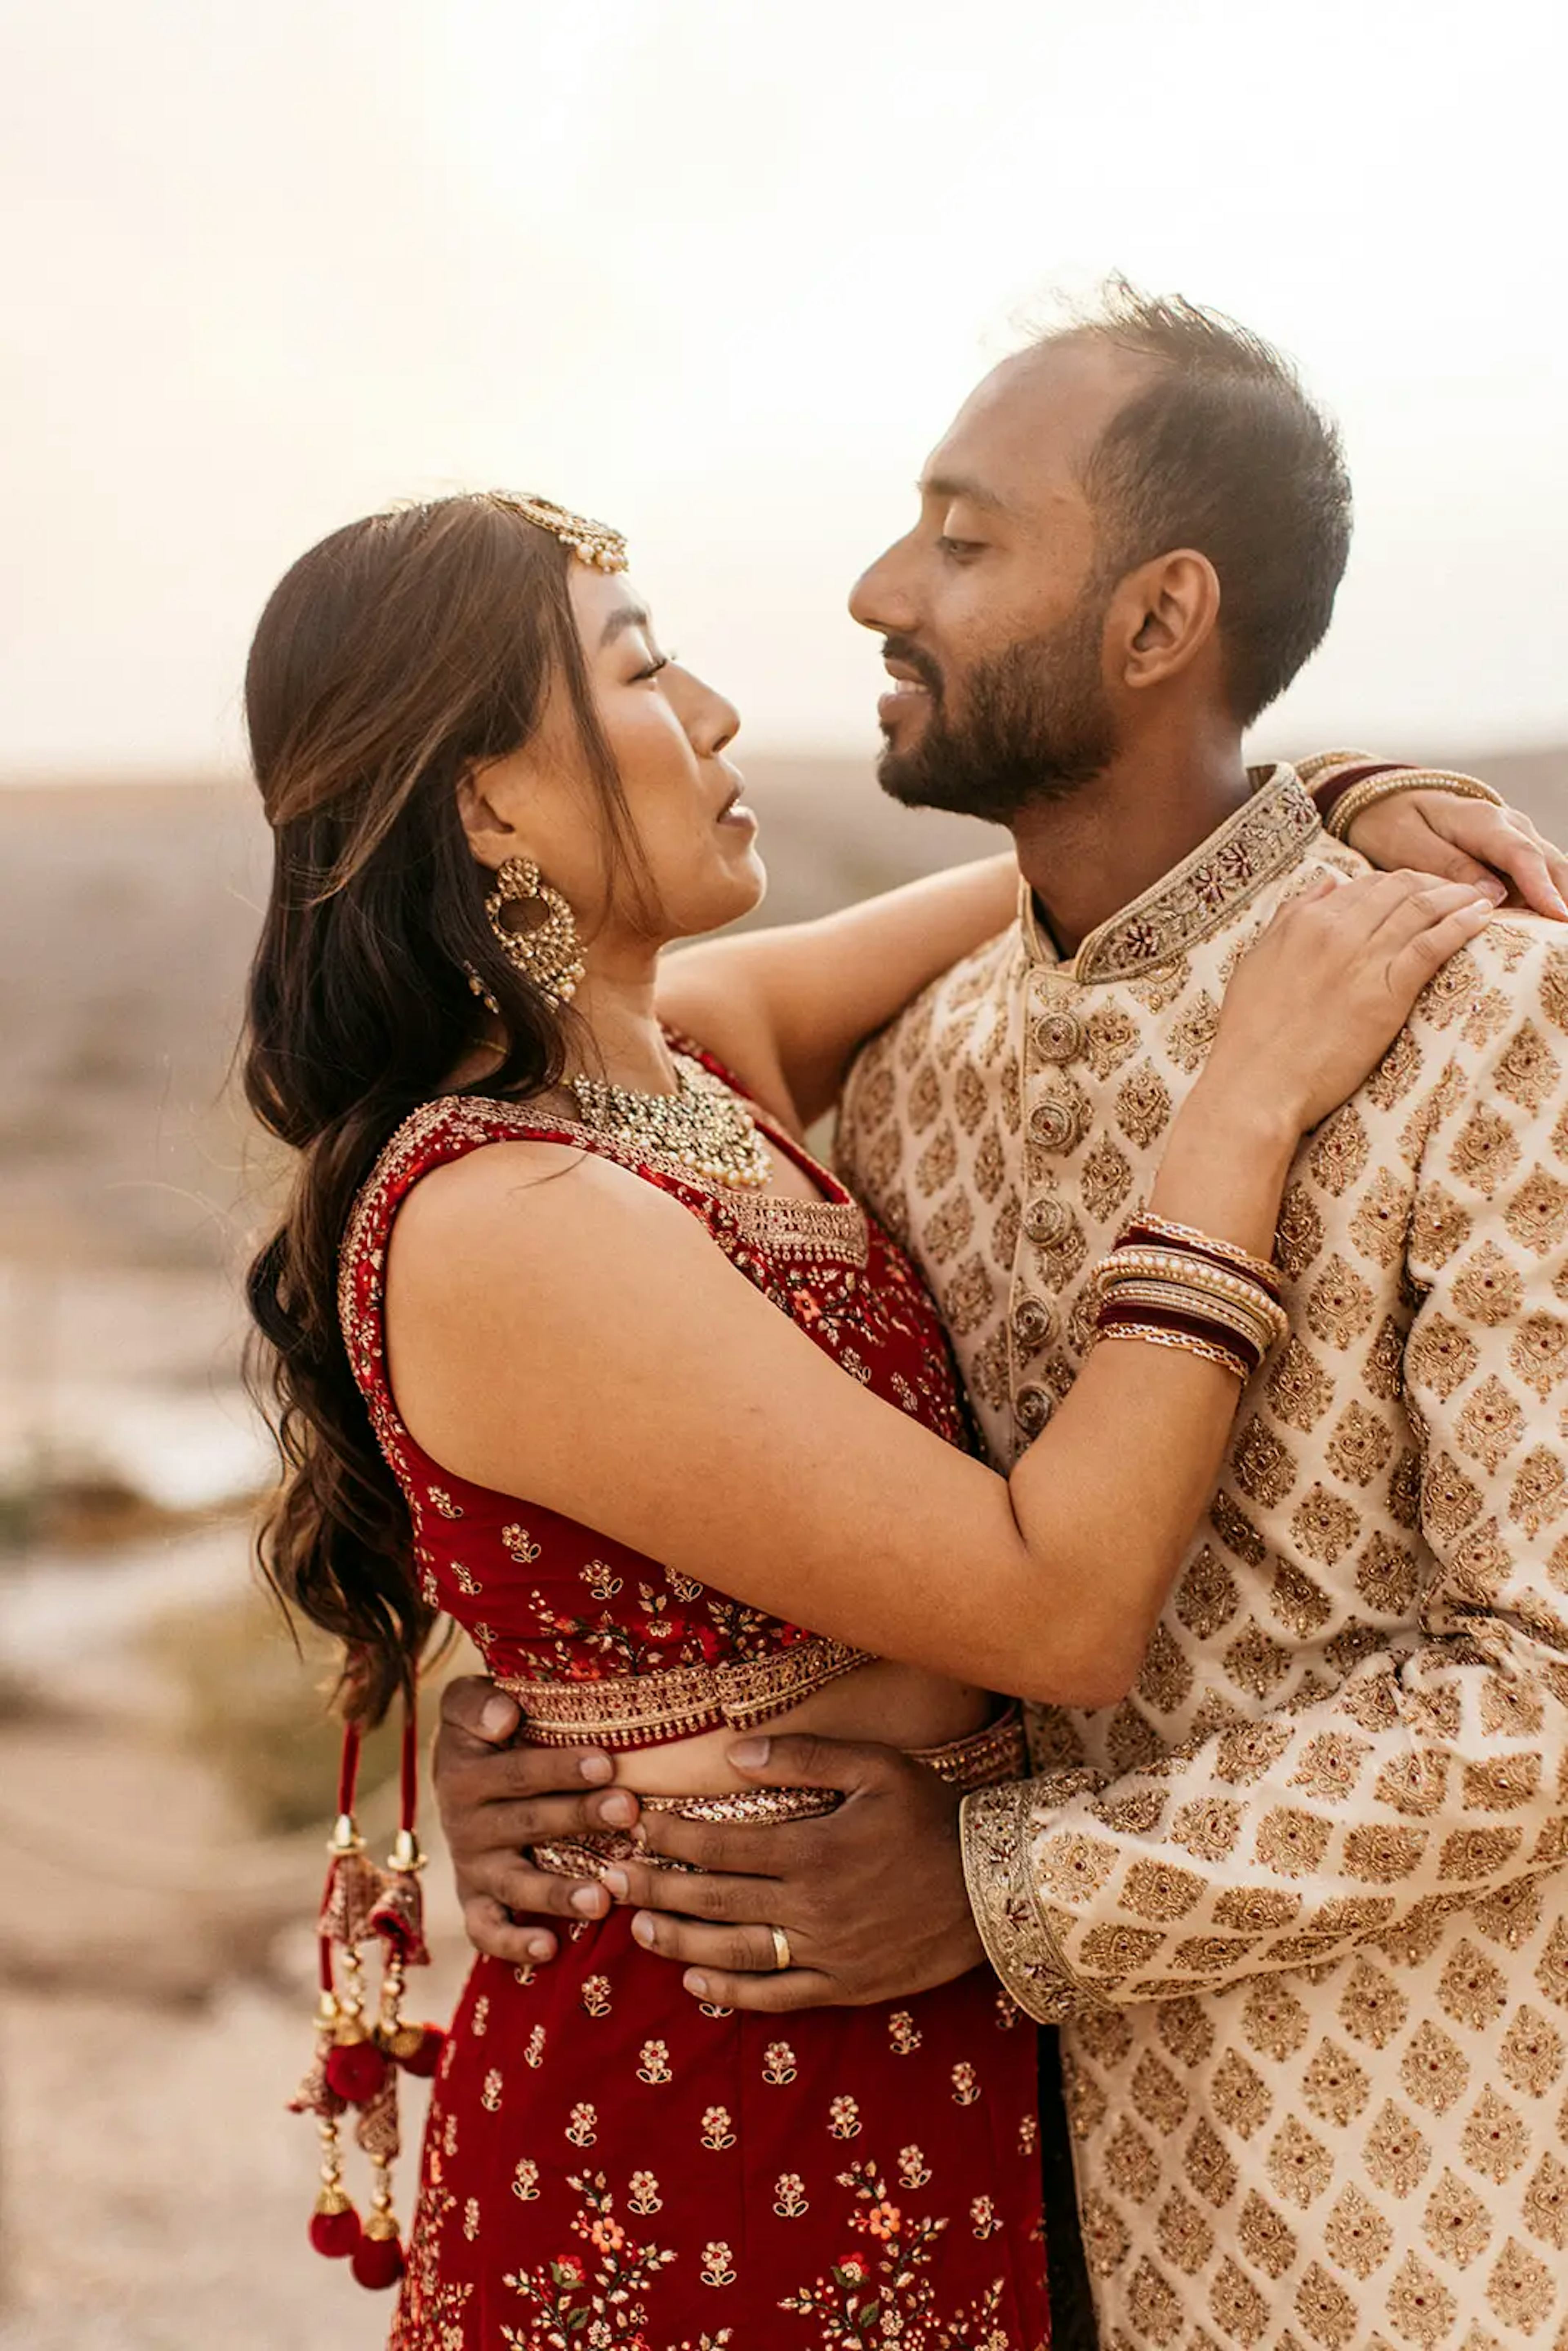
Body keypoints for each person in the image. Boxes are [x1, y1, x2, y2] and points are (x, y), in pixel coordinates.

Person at [243, 460, 1518, 2350]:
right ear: (491, 798)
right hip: (697, 2099)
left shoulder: (685, 1071)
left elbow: (1067, 880)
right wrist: (1244, 1105)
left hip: (900, 2038)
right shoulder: (501, 1213)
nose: (718, 713)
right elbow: (1058, 1609)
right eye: (640, 669)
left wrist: (1319, 790)